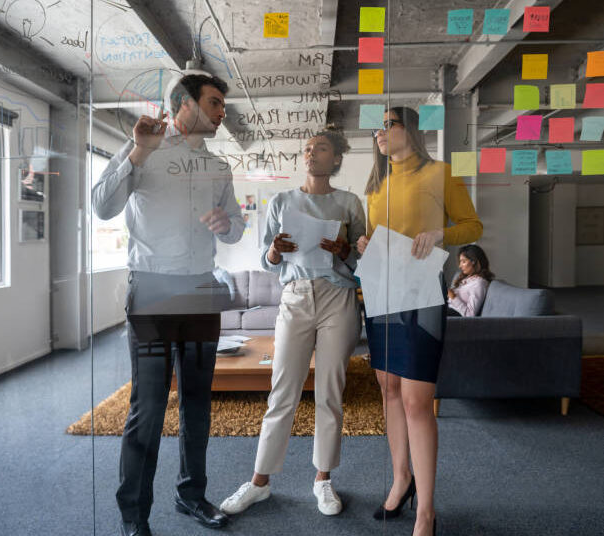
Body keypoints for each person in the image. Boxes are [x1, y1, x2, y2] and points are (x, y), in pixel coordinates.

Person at [92, 74, 244, 536]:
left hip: (201, 291)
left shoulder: (219, 166)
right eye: (215, 103)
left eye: (222, 104)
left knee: (198, 402)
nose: (222, 112)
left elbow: (237, 227)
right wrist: (136, 152)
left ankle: (191, 495)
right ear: (185, 105)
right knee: (150, 405)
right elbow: (102, 206)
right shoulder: (144, 147)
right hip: (153, 292)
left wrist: (226, 225)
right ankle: (134, 515)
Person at [220, 127, 365, 517]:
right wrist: (273, 250)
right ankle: (259, 482)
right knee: (282, 390)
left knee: (330, 392)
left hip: (338, 297)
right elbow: (267, 258)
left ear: (335, 159)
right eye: (307, 148)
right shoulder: (282, 200)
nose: (311, 153)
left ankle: (323, 480)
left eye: (320, 148)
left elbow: (362, 261)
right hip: (295, 296)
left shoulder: (350, 202)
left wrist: (345, 249)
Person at [356, 107, 483, 536]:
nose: (380, 132)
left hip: (423, 291)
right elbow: (378, 241)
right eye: (378, 126)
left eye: (388, 124)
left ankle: (426, 510)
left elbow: (473, 224)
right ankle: (401, 480)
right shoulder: (376, 185)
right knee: (389, 390)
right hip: (380, 290)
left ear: (409, 129)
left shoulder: (440, 173)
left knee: (416, 401)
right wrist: (365, 244)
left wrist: (439, 235)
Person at [447, 244, 494, 317]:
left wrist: (453, 297)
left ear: (474, 262)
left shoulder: (479, 283)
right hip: (448, 309)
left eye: (463, 261)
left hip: (454, 316)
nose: (460, 266)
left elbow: (470, 314)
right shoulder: (468, 278)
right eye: (460, 262)